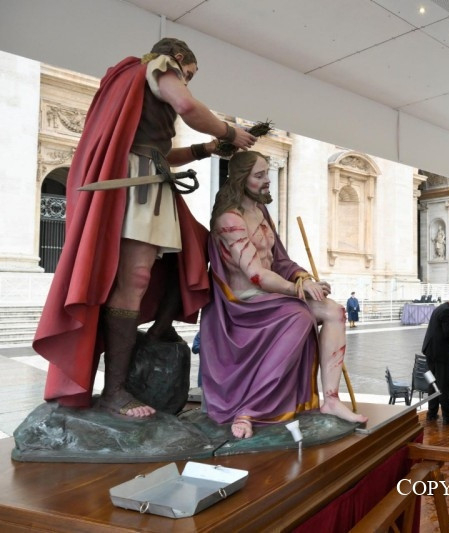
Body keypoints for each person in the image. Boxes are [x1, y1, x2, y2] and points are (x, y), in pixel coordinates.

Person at [33, 38, 256, 418]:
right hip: (137, 187)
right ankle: (115, 391)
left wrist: (205, 149)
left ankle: (156, 333)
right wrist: (230, 132)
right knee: (134, 279)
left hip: (151, 181)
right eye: (189, 75)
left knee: (193, 253)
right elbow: (187, 107)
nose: (186, 82)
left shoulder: (142, 89)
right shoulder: (159, 64)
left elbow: (161, 153)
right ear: (179, 59)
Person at [200, 151, 367, 438]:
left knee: (334, 311)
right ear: (240, 179)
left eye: (267, 173)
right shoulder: (229, 219)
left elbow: (279, 262)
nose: (268, 180)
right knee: (298, 315)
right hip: (243, 304)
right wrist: (298, 290)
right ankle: (249, 410)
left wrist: (304, 278)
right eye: (259, 175)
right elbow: (256, 274)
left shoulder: (261, 213)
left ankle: (331, 400)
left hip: (271, 296)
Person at [421, 291, 449, 425]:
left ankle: (432, 413)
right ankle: (447, 416)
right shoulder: (447, 311)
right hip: (440, 353)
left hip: (431, 351)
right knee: (444, 384)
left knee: (433, 383)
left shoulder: (440, 308)